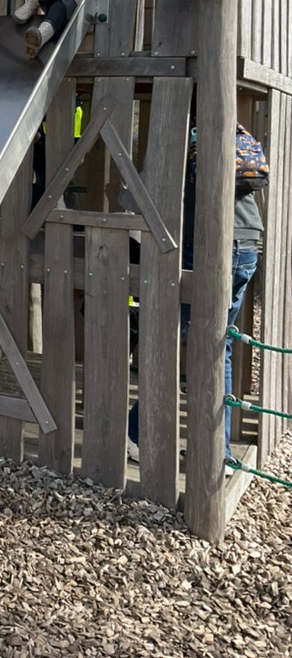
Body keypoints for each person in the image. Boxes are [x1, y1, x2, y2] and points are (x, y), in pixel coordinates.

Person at [125, 137, 264, 470]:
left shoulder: (183, 137)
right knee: (219, 345)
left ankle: (137, 435)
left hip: (206, 244)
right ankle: (219, 452)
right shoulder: (238, 135)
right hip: (247, 244)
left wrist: (119, 194)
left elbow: (143, 197)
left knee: (167, 339)